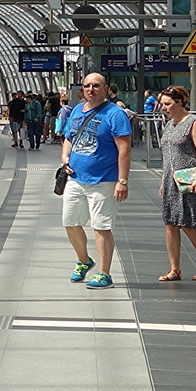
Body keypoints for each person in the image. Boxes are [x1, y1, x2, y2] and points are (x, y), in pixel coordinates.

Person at [58, 72, 132, 289]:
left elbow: (124, 149)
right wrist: (64, 158)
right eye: (88, 85)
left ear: (105, 88)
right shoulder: (77, 111)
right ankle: (84, 260)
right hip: (75, 178)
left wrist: (123, 180)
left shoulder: (115, 114)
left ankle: (104, 273)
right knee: (70, 222)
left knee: (101, 227)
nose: (92, 89)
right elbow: (68, 138)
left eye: (96, 85)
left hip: (104, 180)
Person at [154, 85, 196, 283]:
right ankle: (174, 269)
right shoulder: (169, 124)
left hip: (189, 179)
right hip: (172, 181)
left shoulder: (193, 123)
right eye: (162, 104)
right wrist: (164, 181)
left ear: (179, 102)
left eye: (167, 104)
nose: (163, 108)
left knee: (188, 224)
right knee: (171, 223)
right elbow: (168, 155)